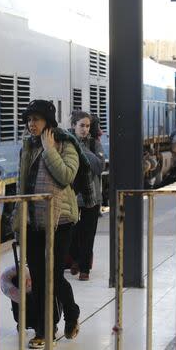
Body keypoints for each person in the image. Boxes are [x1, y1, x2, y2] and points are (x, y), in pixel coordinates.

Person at [15, 99, 81, 349]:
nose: (32, 124)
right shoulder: (27, 146)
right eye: (29, 120)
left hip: (60, 221)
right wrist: (18, 217)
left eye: (36, 119)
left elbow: (66, 176)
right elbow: (23, 184)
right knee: (39, 276)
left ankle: (71, 312)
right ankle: (45, 329)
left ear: (48, 122)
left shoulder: (66, 143)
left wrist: (50, 149)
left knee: (52, 274)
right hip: (33, 220)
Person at [68, 111, 105, 282]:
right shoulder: (65, 142)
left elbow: (99, 167)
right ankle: (75, 259)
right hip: (72, 197)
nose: (85, 129)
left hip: (92, 197)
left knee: (88, 233)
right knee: (72, 232)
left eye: (87, 126)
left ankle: (84, 269)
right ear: (74, 125)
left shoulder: (94, 144)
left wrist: (81, 150)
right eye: (81, 125)